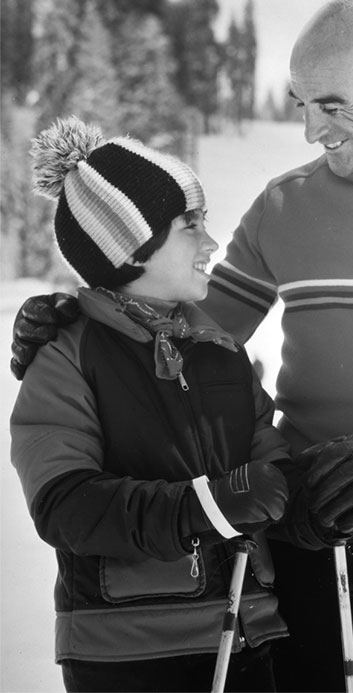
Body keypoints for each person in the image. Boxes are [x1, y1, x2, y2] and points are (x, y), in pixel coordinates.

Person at [12, 0, 353, 692]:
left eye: (330, 104)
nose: (310, 129)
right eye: (299, 104)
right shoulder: (284, 204)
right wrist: (88, 321)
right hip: (304, 520)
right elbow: (197, 334)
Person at [11, 117, 295, 691]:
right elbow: (64, 505)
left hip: (244, 635)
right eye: (190, 225)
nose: (211, 243)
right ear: (132, 248)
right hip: (127, 652)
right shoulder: (68, 354)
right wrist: (205, 506)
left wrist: (324, 494)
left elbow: (272, 474)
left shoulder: (218, 349)